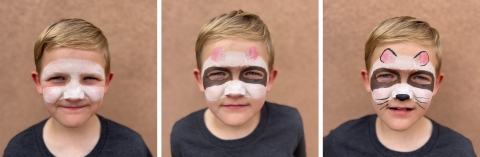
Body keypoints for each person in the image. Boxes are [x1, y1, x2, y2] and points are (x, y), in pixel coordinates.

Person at [323, 16, 476, 156]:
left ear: (436, 85)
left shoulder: (459, 151)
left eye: (420, 77)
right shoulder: (338, 144)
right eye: (386, 75)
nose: (402, 94)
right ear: (367, 80)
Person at [4, 18, 152, 157]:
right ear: (38, 82)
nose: (74, 95)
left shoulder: (132, 147)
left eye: (90, 78)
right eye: (57, 78)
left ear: (106, 82)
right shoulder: (18, 150)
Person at [170, 10, 306, 157]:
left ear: (270, 79)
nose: (235, 91)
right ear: (200, 80)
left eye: (252, 73)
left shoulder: (290, 123)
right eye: (217, 73)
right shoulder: (182, 134)